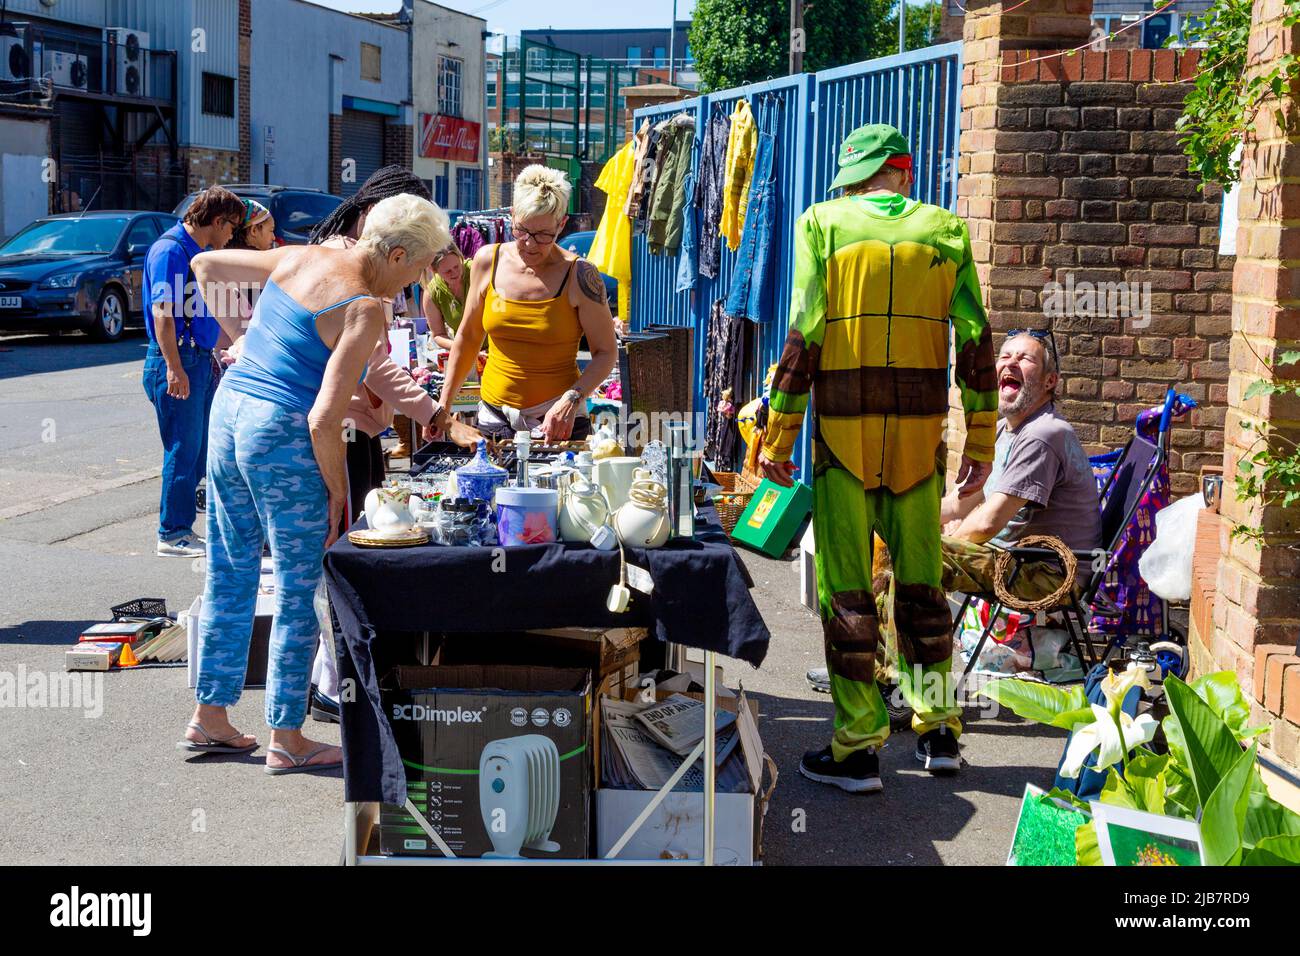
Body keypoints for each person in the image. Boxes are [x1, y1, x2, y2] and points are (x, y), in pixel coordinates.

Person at [757, 123, 998, 793]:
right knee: (922, 587)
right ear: (904, 173)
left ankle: (859, 747)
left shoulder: (822, 224)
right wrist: (982, 441)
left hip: (843, 439)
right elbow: (977, 340)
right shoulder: (946, 230)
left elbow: (805, 331)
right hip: (921, 442)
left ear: (853, 177)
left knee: (848, 592)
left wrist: (777, 437)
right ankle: (939, 730)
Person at [179, 193, 448, 774]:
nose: (418, 278)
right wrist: (334, 491)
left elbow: (210, 266)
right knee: (301, 588)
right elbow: (324, 418)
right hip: (277, 432)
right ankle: (287, 735)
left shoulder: (308, 256)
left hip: (230, 411)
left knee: (231, 565)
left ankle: (211, 714)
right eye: (419, 265)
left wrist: (241, 338)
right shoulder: (364, 308)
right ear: (397, 253)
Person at [808, 332, 1104, 712]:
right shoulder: (1008, 430)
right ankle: (869, 666)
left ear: (1050, 381)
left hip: (1045, 573)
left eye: (1025, 359)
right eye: (1005, 356)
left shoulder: (1044, 435)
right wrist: (908, 523)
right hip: (1016, 560)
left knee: (906, 559)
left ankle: (893, 683)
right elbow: (968, 499)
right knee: (888, 540)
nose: (1010, 363)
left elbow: (988, 522)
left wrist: (924, 542)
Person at [312, 167, 479, 533]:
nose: (411, 278)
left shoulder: (359, 260)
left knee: (364, 530)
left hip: (359, 423)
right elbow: (372, 365)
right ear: (375, 213)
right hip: (342, 425)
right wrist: (439, 417)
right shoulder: (347, 268)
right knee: (345, 536)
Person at [438, 165, 618, 443]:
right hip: (494, 420)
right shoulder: (487, 260)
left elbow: (606, 352)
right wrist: (443, 407)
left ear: (561, 224)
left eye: (544, 235)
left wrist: (571, 400)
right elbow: (468, 337)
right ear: (511, 216)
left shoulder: (580, 274)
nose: (530, 244)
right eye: (521, 231)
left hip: (558, 424)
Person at [143, 185, 245, 558]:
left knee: (199, 448)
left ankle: (182, 525)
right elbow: (163, 314)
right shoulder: (172, 250)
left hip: (196, 358)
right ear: (217, 221)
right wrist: (173, 368)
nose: (233, 234)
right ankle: (172, 533)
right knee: (183, 450)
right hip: (179, 360)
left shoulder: (197, 252)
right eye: (232, 226)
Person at [421, 244, 471, 350]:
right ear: (434, 271)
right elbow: (438, 335)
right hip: (466, 352)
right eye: (447, 271)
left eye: (457, 266)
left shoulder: (476, 271)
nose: (455, 273)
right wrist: (462, 348)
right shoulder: (432, 292)